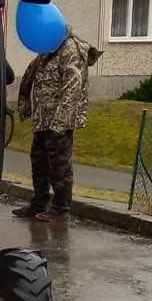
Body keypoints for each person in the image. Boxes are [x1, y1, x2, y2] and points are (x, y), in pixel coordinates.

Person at [17, 27, 101, 218]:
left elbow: (73, 87)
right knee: (39, 161)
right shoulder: (47, 49)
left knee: (59, 165)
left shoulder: (69, 49)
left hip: (59, 120)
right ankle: (39, 203)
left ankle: (61, 209)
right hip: (43, 118)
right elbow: (34, 75)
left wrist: (60, 123)